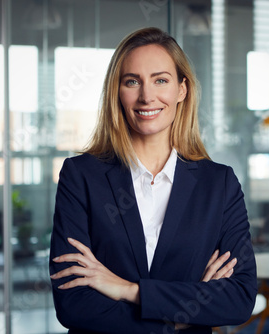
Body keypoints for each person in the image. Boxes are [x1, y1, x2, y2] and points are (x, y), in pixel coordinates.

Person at [49, 27, 257, 334]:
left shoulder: (219, 184)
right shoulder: (81, 176)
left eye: (161, 80)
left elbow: (238, 298)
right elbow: (73, 303)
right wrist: (181, 315)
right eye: (132, 82)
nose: (147, 96)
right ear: (116, 92)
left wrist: (127, 290)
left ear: (182, 90)